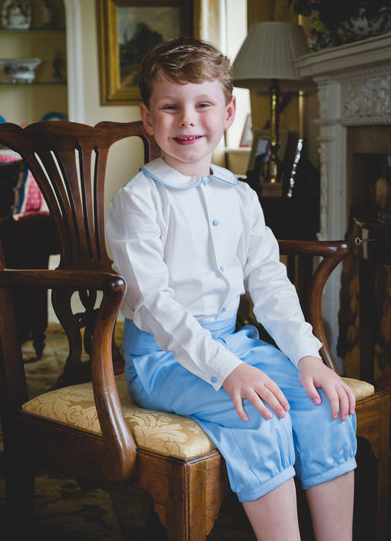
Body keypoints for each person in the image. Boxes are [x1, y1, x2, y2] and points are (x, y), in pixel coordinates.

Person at [105, 38, 357, 540]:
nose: (187, 120)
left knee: (324, 401)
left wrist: (307, 355)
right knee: (260, 417)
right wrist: (227, 370)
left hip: (235, 343)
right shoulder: (137, 201)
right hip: (162, 358)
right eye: (170, 107)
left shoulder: (239, 195)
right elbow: (155, 306)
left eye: (202, 104)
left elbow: (269, 281)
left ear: (228, 112)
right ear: (148, 118)